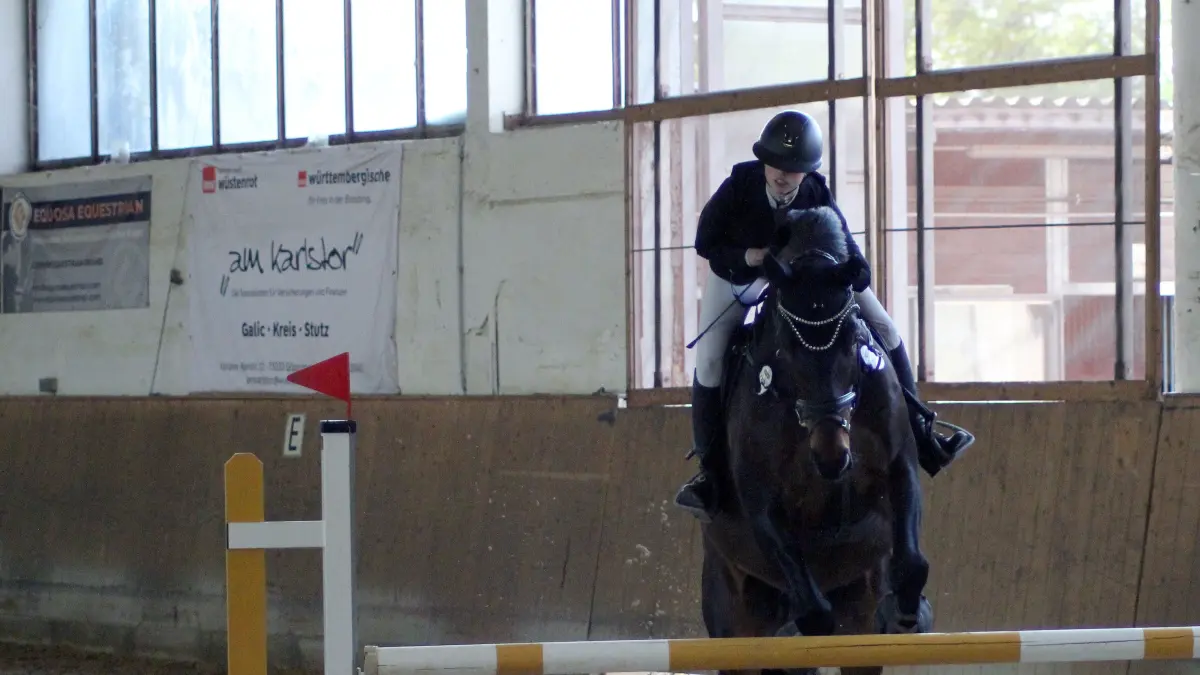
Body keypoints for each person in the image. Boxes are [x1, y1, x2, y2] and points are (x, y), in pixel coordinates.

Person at [674, 109, 973, 523]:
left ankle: (923, 433)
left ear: (806, 172)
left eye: (794, 169)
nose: (783, 176)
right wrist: (749, 256)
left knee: (884, 325)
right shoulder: (740, 184)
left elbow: (846, 242)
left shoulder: (815, 190)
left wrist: (856, 273)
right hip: (740, 276)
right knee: (709, 358)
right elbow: (706, 242)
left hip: (800, 283)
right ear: (765, 160)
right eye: (777, 165)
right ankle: (708, 471)